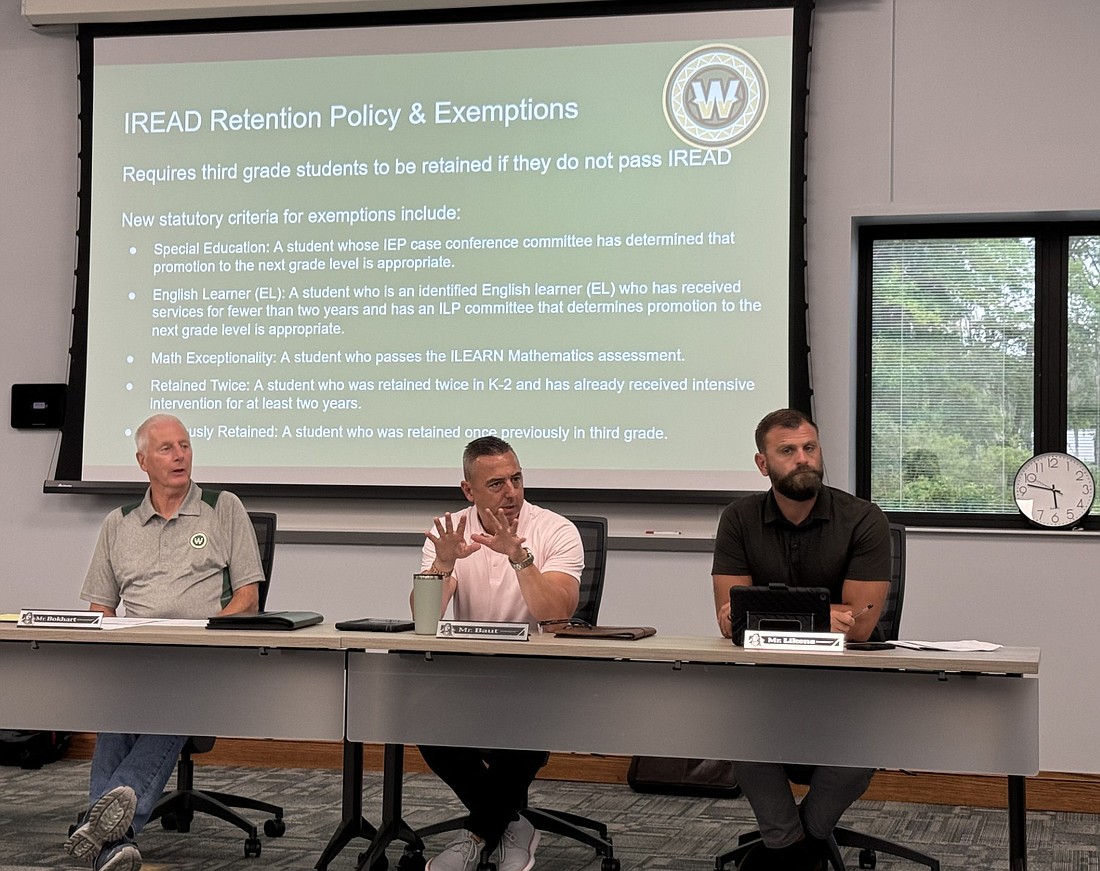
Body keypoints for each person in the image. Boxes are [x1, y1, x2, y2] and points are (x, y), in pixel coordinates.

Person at [65, 414, 264, 871]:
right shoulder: (118, 524)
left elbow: (248, 599)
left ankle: (109, 826)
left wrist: (205, 635)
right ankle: (115, 842)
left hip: (201, 659)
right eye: (166, 448)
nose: (179, 456)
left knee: (170, 699)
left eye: (185, 445)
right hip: (136, 657)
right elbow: (102, 608)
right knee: (118, 706)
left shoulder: (224, 507)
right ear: (142, 461)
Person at [711, 409, 890, 871]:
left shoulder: (863, 518)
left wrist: (765, 611)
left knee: (861, 750)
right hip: (769, 679)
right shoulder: (738, 518)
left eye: (810, 448)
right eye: (787, 451)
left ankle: (798, 843)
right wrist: (820, 613)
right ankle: (791, 847)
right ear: (762, 463)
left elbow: (860, 627)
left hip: (848, 681)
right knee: (739, 735)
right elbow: (729, 621)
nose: (803, 459)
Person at [418, 436, 583, 871]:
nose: (511, 492)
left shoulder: (555, 529)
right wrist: (443, 566)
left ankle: (477, 834)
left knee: (524, 724)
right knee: (421, 719)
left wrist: (519, 557)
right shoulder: (449, 532)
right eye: (496, 484)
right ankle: (513, 824)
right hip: (467, 675)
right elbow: (424, 621)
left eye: (516, 478)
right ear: (468, 491)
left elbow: (557, 613)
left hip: (539, 675)